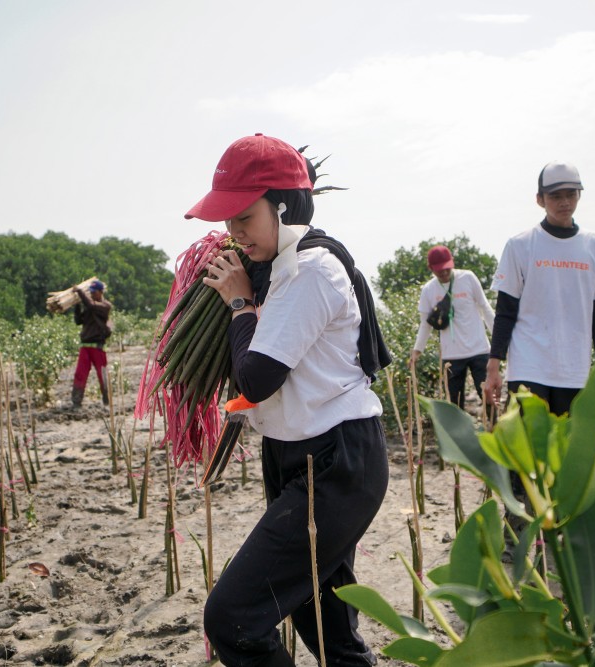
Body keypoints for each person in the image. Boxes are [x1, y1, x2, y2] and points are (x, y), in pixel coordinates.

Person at [189, 133, 391, 667]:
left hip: (335, 461)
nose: (234, 232)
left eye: (245, 217)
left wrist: (238, 303)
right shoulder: (278, 268)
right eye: (228, 220)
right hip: (293, 454)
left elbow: (257, 379)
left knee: (233, 618)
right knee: (323, 627)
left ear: (283, 205)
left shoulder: (311, 269)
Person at [483, 161, 595, 416]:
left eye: (571, 194)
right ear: (540, 199)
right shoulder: (520, 245)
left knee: (566, 441)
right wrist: (493, 367)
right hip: (528, 366)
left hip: (574, 368)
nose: (565, 202)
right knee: (529, 441)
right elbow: (505, 311)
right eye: (555, 196)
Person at [411, 244, 495, 410]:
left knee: (489, 398)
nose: (444, 273)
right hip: (451, 355)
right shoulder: (429, 290)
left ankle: (494, 425)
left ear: (453, 262)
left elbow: (485, 308)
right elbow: (425, 324)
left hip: (479, 350)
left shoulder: (468, 278)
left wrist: (499, 342)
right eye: (439, 270)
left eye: (447, 268)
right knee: (454, 405)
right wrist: (417, 350)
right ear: (430, 268)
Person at [71, 279, 112, 408]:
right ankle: (76, 402)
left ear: (101, 292)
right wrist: (77, 305)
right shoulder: (89, 306)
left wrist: (79, 291)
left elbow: (91, 306)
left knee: (102, 374)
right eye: (91, 292)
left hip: (98, 347)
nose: (92, 294)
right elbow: (78, 321)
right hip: (85, 346)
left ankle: (106, 400)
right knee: (80, 374)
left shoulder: (105, 306)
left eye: (94, 292)